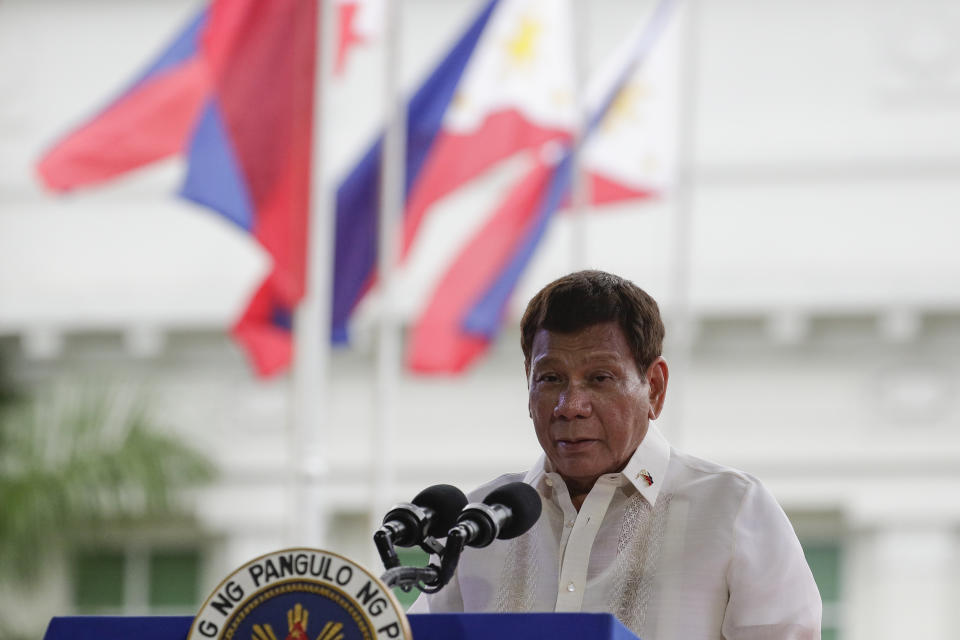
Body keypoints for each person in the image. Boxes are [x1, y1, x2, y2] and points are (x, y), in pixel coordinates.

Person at [408, 270, 822, 639]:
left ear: (654, 388)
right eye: (550, 378)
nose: (570, 405)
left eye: (599, 378)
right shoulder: (478, 522)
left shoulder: (732, 509)